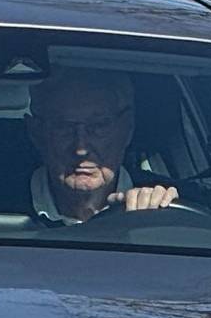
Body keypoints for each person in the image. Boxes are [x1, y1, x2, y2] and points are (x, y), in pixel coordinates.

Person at [23, 68, 177, 224]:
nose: (81, 149)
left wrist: (162, 217)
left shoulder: (173, 206)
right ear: (36, 132)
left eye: (98, 126)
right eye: (64, 127)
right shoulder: (7, 203)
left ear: (127, 128)